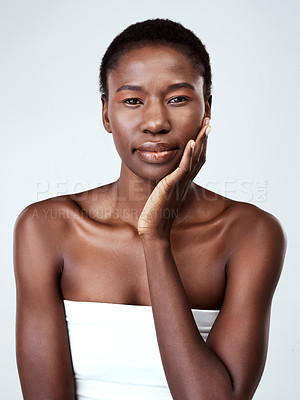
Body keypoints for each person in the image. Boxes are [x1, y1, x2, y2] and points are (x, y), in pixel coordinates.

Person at [13, 18, 286, 400]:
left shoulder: (250, 234)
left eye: (177, 98)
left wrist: (155, 238)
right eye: (132, 101)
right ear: (106, 113)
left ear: (207, 109)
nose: (155, 122)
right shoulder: (46, 228)